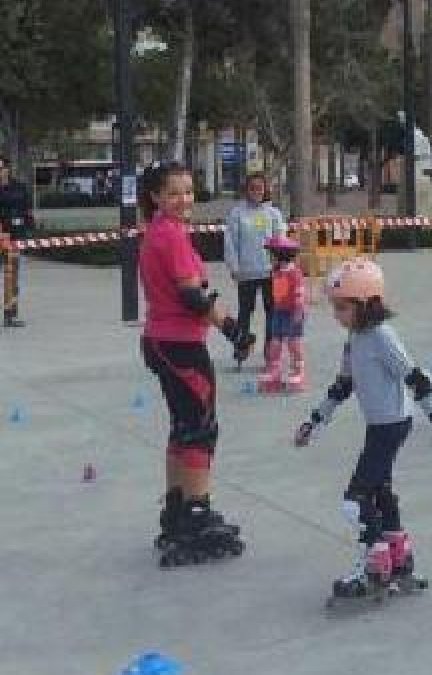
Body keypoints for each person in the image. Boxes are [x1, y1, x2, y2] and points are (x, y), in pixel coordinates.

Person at [295, 258, 432, 601]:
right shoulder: (354, 338)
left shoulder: (381, 336)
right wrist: (314, 422)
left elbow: (415, 377)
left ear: (366, 304)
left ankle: (375, 567)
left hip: (393, 425)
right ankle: (400, 561)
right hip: (380, 425)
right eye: (334, 307)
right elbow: (343, 385)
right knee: (380, 493)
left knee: (355, 502)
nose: (336, 315)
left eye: (342, 307)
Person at [137, 162, 256, 567]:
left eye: (188, 191)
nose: (184, 199)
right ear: (156, 196)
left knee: (183, 427)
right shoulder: (170, 236)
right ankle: (197, 514)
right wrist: (231, 327)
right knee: (202, 430)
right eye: (174, 193)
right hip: (180, 344)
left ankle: (176, 508)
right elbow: (191, 298)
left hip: (160, 340)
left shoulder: (158, 231)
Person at [223, 173, 287, 366]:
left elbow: (281, 241)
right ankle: (241, 349)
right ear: (246, 190)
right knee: (244, 312)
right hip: (246, 273)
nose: (256, 192)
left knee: (272, 312)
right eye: (252, 188)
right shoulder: (237, 213)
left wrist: (282, 265)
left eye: (260, 188)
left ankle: (271, 351)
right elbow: (231, 242)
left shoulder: (273, 214)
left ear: (265, 190)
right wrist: (234, 267)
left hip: (270, 272)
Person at [257, 235, 307, 393]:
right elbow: (277, 293)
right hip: (279, 311)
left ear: (281, 255)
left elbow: (299, 292)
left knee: (293, 343)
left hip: (293, 312)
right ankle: (274, 371)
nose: (269, 258)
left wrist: (298, 309)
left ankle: (298, 371)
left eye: (271, 255)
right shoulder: (276, 272)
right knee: (275, 343)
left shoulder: (294, 272)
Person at [0, 154, 33, 328]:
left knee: (12, 278)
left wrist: (27, 230)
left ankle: (10, 314)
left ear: (8, 168)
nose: (1, 172)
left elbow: (27, 210)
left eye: (2, 168)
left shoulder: (19, 187)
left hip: (13, 240)